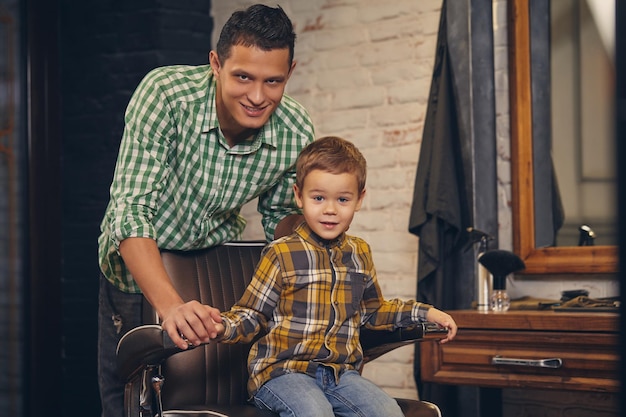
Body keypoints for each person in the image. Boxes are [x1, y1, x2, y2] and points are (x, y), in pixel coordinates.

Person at [97, 5, 314, 417]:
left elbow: (279, 221)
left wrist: (313, 226)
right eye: (243, 77)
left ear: (290, 71)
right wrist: (170, 306)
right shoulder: (165, 95)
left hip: (207, 270)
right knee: (125, 404)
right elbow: (130, 211)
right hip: (134, 264)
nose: (257, 96)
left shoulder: (296, 128)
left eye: (273, 81)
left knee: (208, 393)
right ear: (216, 64)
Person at [213, 136, 458, 417]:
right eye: (318, 198)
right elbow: (252, 315)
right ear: (298, 196)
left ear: (359, 199)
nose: (330, 209)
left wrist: (425, 313)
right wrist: (221, 326)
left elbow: (374, 312)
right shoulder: (281, 253)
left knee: (389, 412)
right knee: (315, 413)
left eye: (342, 199)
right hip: (282, 374)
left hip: (340, 375)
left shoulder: (359, 252)